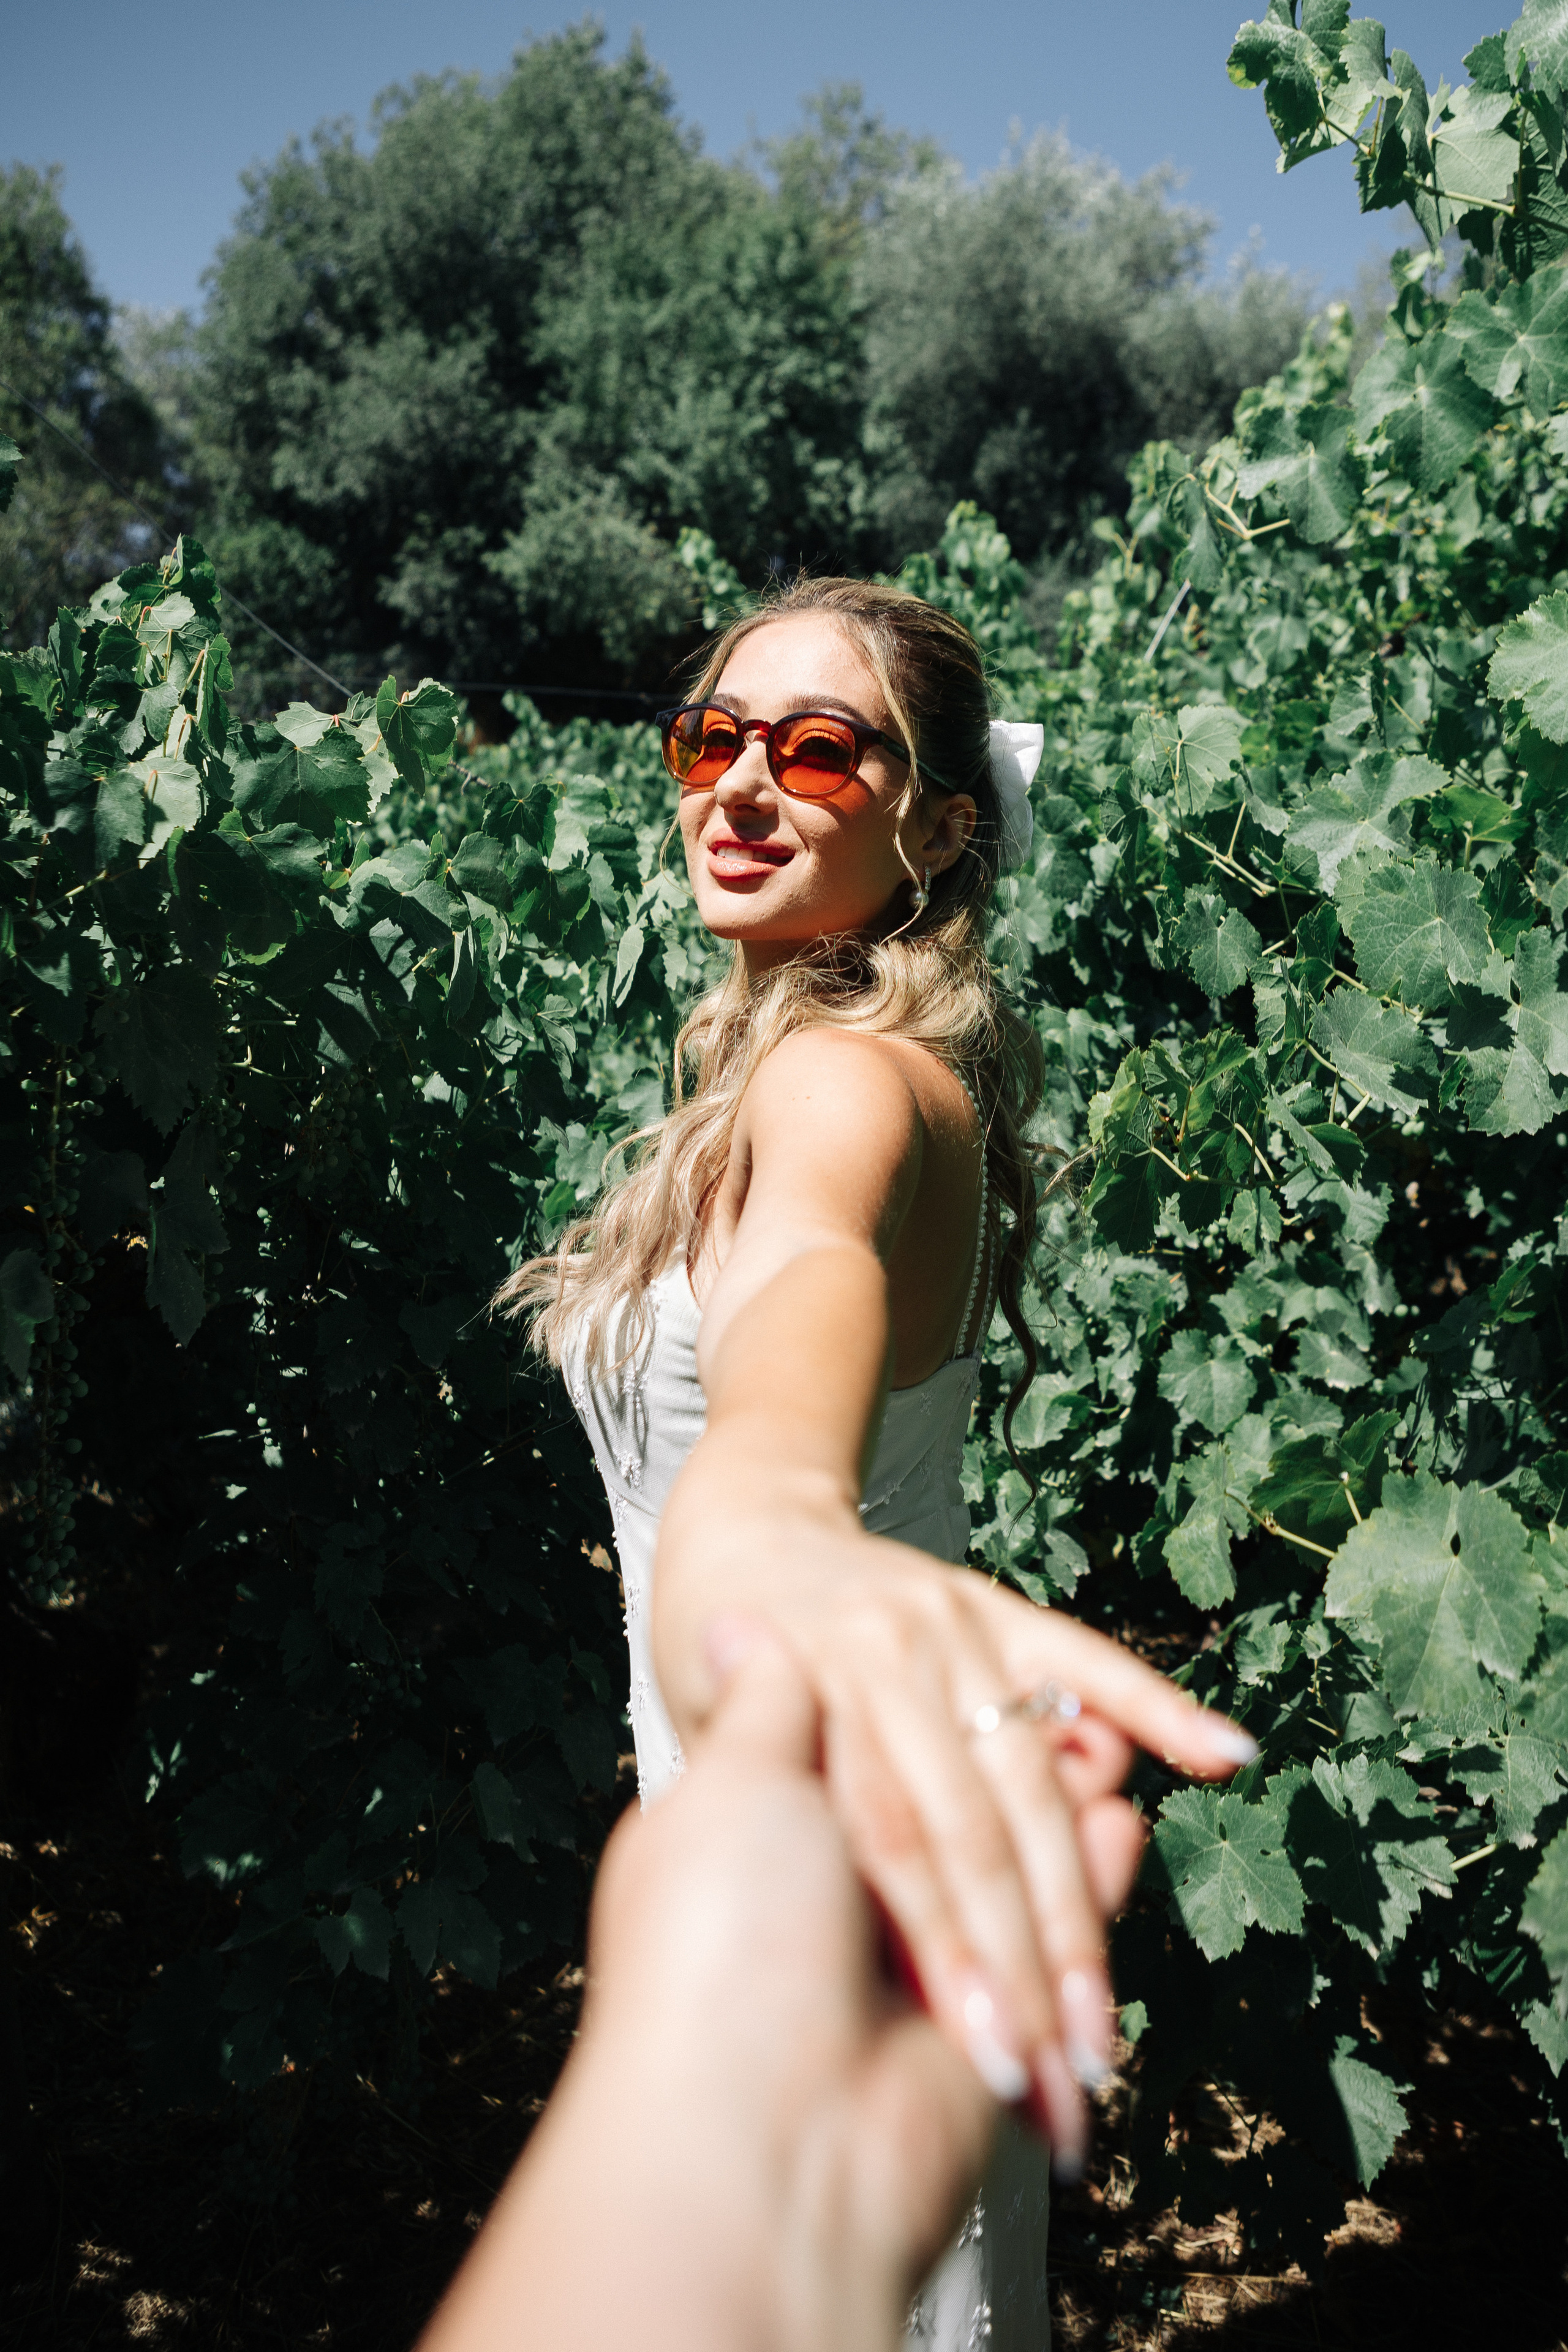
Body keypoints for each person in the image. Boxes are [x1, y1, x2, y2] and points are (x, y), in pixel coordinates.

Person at [502, 580, 1257, 2346]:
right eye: (715, 736)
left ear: (939, 823)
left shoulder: (840, 1090)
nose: (743, 784)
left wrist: (766, 1516)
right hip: (792, 1839)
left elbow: (793, 1342)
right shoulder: (841, 1066)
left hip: (829, 1867)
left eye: (820, 749)